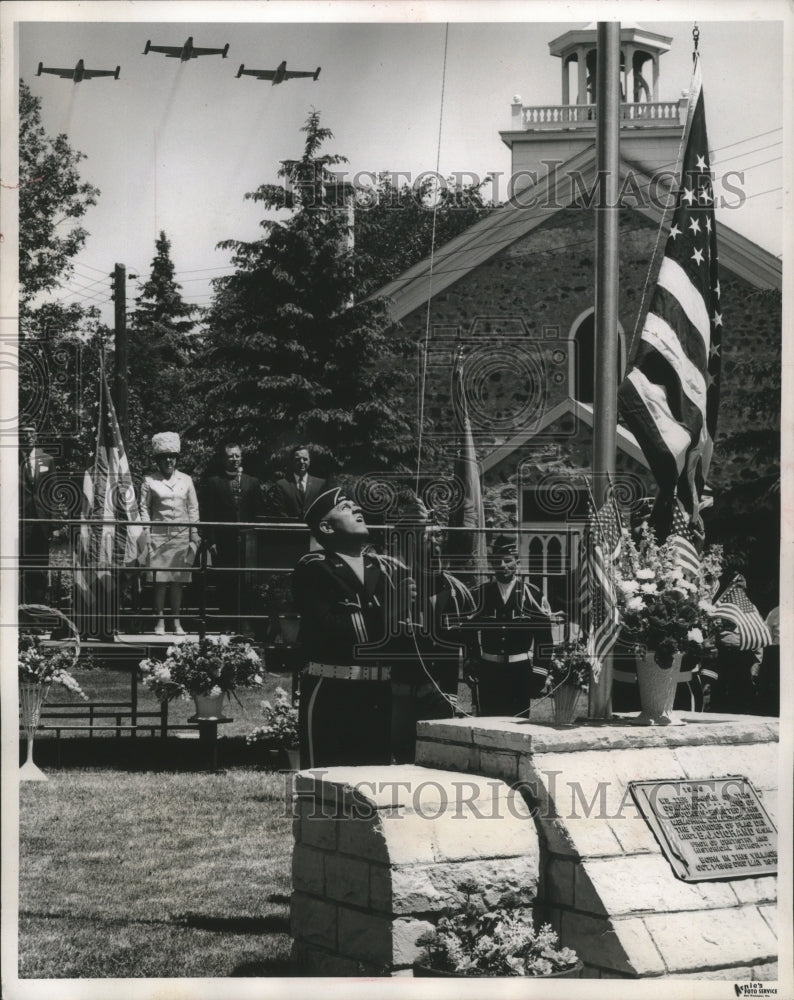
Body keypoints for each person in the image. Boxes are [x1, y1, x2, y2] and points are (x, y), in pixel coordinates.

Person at [291, 487, 414, 768]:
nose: (357, 508)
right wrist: (391, 613)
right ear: (326, 527)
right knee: (327, 784)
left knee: (374, 784)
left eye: (356, 505)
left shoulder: (381, 569)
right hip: (333, 692)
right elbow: (331, 628)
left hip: (379, 693)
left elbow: (396, 638)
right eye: (345, 507)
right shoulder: (314, 568)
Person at [388, 497, 476, 763]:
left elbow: (469, 644)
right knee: (399, 757)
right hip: (398, 691)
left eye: (438, 539)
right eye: (427, 539)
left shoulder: (457, 592)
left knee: (436, 757)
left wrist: (453, 691)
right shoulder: (392, 584)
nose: (435, 545)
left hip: (440, 691)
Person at [467, 535, 555, 718]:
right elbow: (468, 633)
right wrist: (472, 661)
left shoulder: (533, 595)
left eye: (508, 561)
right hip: (489, 671)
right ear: (491, 564)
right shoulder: (480, 594)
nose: (503, 565)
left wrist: (540, 672)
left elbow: (544, 638)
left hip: (519, 673)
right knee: (488, 727)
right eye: (497, 561)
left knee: (517, 728)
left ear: (518, 562)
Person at [199, 440, 265, 632]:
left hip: (248, 542)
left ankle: (244, 622)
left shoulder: (252, 482)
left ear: (241, 457)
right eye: (230, 456)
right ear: (224, 459)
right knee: (225, 581)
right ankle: (226, 622)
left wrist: (257, 539)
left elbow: (258, 513)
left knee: (247, 582)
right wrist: (211, 541)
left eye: (237, 456)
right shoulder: (214, 482)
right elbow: (208, 514)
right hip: (223, 541)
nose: (234, 460)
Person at [139, 432, 199, 635]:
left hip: (181, 536)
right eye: (164, 456)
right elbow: (144, 508)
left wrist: (194, 533)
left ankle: (176, 622)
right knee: (160, 582)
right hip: (158, 536)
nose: (168, 460)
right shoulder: (149, 481)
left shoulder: (187, 480)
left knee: (177, 582)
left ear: (176, 458)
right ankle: (160, 621)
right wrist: (146, 532)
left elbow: (193, 509)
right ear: (158, 460)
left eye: (172, 456)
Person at [18, 424, 58, 605]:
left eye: (31, 433)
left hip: (41, 525)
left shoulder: (47, 459)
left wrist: (55, 525)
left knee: (40, 571)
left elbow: (53, 492)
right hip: (18, 524)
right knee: (19, 571)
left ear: (36, 436)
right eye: (24, 433)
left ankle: (38, 617)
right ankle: (21, 618)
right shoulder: (9, 458)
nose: (27, 437)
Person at [272, 446, 327, 521]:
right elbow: (279, 511)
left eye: (305, 459)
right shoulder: (282, 485)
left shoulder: (320, 484)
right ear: (292, 461)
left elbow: (324, 509)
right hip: (291, 529)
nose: (302, 462)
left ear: (309, 461)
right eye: (297, 459)